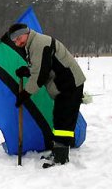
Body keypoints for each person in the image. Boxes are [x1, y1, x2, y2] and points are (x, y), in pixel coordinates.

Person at [9, 23, 86, 167]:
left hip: (69, 84)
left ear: (26, 33)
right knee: (60, 119)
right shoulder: (33, 44)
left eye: (19, 38)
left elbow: (40, 75)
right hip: (65, 85)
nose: (18, 43)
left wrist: (25, 94)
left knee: (63, 120)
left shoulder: (39, 44)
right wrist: (28, 70)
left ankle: (61, 158)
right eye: (15, 41)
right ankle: (58, 151)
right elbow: (41, 66)